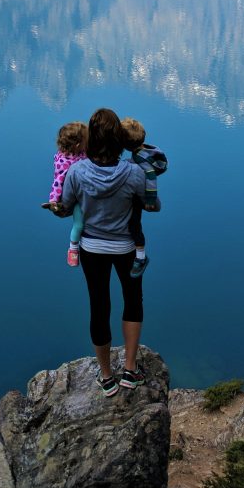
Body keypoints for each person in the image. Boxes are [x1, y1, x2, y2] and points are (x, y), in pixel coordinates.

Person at [58, 108, 161, 396]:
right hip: (126, 247)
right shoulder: (134, 173)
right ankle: (130, 369)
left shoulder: (76, 172)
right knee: (132, 300)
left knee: (99, 306)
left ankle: (106, 376)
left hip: (91, 247)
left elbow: (65, 207)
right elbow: (152, 205)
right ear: (118, 138)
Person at [120, 118, 168, 278]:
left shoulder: (139, 159)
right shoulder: (148, 150)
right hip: (139, 186)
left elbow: (151, 175)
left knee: (134, 225)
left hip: (143, 195)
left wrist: (150, 200)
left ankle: (140, 258)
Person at [41, 121, 88, 266]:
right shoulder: (64, 161)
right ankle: (73, 249)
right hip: (76, 200)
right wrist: (54, 199)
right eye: (87, 139)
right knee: (78, 224)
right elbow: (57, 181)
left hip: (86, 195)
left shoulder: (83, 153)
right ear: (78, 144)